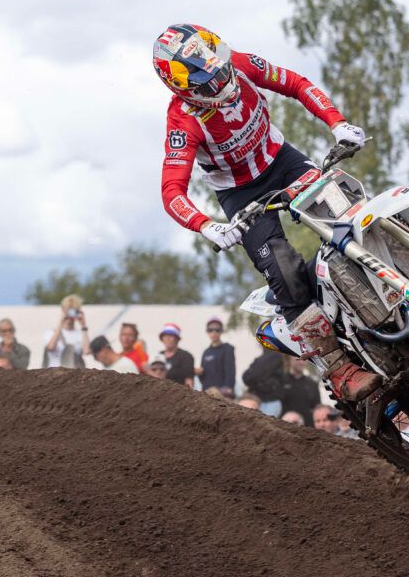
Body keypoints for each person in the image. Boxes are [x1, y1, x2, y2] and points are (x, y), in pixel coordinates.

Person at [153, 23, 377, 403]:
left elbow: (296, 84)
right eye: (209, 82)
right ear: (183, 89)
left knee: (350, 211)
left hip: (282, 161)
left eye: (221, 68)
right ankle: (338, 367)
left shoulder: (241, 66)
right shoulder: (183, 122)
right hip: (240, 193)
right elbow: (171, 190)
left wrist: (337, 123)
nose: (222, 82)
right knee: (282, 266)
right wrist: (206, 226)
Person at [43, 294, 91, 368]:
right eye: (68, 310)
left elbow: (87, 351)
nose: (70, 314)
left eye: (73, 311)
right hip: (54, 372)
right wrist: (61, 322)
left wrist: (83, 326)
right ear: (63, 310)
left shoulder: (80, 334)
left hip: (75, 372)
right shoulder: (50, 333)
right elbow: (51, 347)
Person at [197, 317, 235, 396]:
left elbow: (230, 373)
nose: (214, 332)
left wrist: (225, 390)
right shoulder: (206, 352)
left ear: (222, 331)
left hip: (222, 395)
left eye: (217, 330)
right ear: (207, 332)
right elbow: (202, 378)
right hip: (206, 395)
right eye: (210, 330)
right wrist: (199, 373)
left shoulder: (228, 349)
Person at [242, 347, 285, 417]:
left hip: (270, 402)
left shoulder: (275, 356)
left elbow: (250, 377)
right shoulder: (259, 359)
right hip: (256, 399)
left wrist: (256, 382)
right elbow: (246, 377)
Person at [279, 357, 321, 427]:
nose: (301, 362)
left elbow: (317, 408)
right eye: (298, 359)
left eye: (304, 360)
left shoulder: (312, 384)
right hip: (283, 428)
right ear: (290, 359)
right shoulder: (279, 382)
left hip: (307, 429)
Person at [159, 324, 194, 388]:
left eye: (171, 335)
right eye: (165, 336)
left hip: (179, 392)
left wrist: (188, 392)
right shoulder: (159, 355)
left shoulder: (186, 356)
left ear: (177, 339)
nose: (168, 338)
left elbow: (189, 380)